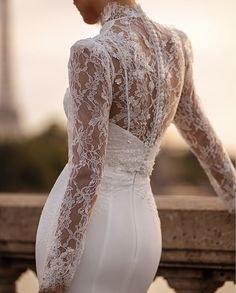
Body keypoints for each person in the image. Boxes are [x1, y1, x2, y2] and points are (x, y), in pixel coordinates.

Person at [35, 0, 236, 292]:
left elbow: (86, 172)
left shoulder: (91, 53)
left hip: (92, 239)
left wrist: (55, 276)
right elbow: (201, 135)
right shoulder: (174, 46)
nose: (73, 1)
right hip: (144, 236)